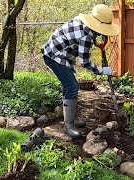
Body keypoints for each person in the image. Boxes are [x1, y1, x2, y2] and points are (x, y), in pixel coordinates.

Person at [41, 4, 119, 138]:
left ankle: (69, 119)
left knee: (69, 86)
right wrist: (102, 70)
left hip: (60, 53)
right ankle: (68, 126)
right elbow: (85, 62)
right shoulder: (86, 36)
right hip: (54, 56)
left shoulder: (83, 22)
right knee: (72, 86)